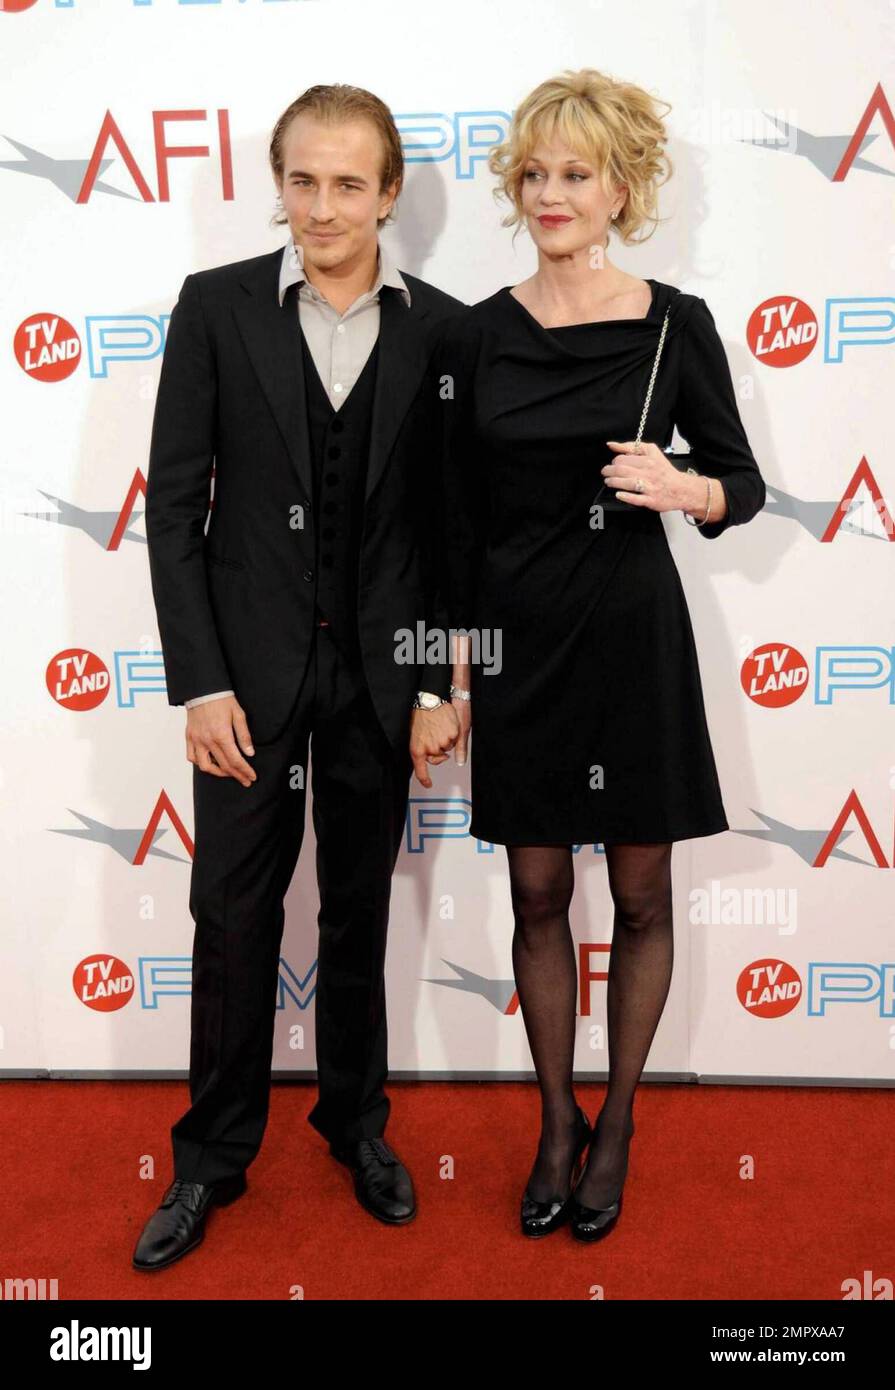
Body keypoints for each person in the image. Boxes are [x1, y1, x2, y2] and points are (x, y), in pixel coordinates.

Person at [134, 84, 463, 1271]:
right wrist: (199, 682)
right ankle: (210, 1159)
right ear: (279, 183)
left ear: (388, 195)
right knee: (230, 917)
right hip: (246, 683)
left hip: (381, 683)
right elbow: (176, 509)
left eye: (347, 184)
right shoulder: (215, 307)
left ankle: (356, 1127)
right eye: (302, 180)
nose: (322, 207)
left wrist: (438, 686)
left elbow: (450, 534)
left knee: (360, 914)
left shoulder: (443, 330)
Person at [436, 68, 766, 1242]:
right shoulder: (474, 333)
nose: (550, 193)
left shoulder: (675, 321)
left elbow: (745, 482)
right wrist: (453, 674)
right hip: (521, 642)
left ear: (622, 186)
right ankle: (555, 1121)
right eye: (534, 173)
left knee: (637, 892)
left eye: (574, 173)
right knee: (533, 890)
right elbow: (455, 528)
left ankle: (616, 1121)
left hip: (631, 634)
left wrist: (682, 485)